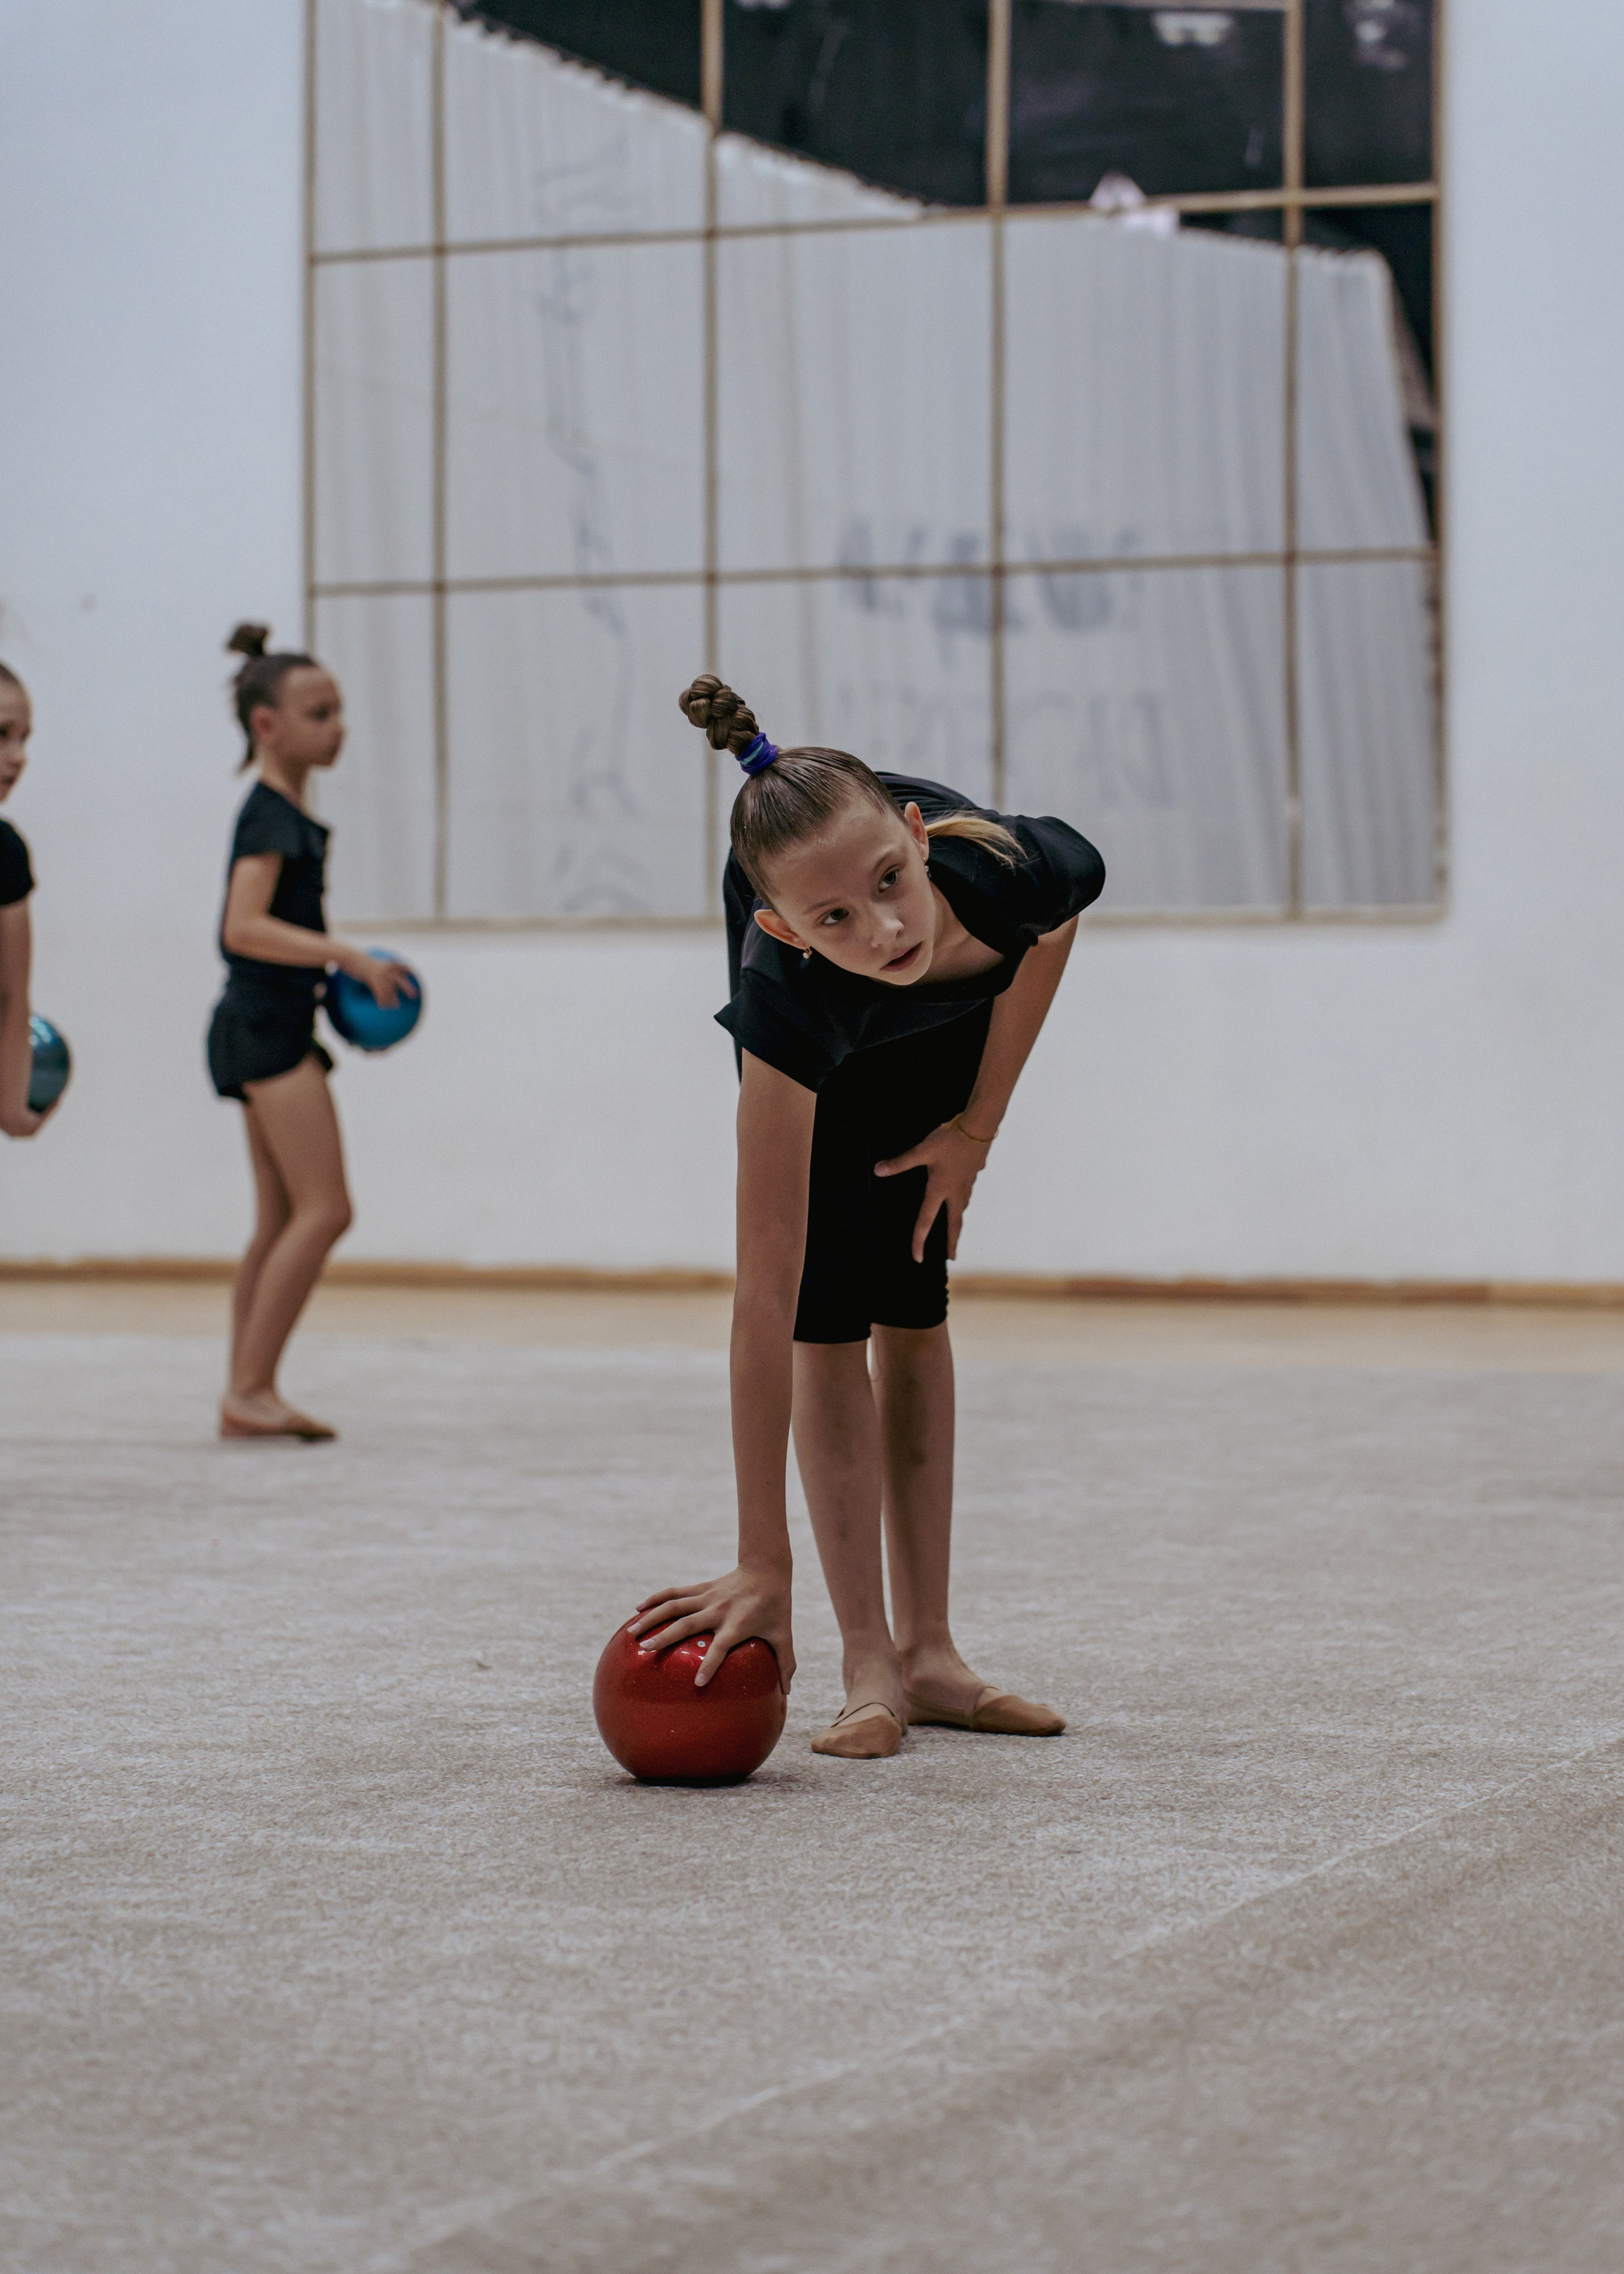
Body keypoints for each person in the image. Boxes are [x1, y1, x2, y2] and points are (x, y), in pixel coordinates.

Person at [631, 678, 1105, 1759]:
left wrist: (975, 1130)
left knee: (915, 1293)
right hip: (835, 1047)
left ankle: (931, 1654)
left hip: (941, 1035)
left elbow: (1059, 923)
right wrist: (762, 1558)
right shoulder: (789, 998)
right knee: (827, 1311)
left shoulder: (1002, 871)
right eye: (835, 914)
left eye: (891, 878)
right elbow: (764, 1289)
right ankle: (868, 1661)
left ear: (917, 834)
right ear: (782, 925)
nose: (885, 927)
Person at [207, 623, 412, 1442]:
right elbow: (241, 927)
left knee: (280, 1217)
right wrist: (345, 956)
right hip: (265, 1031)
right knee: (326, 1210)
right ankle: (250, 1389)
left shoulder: (284, 813)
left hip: (266, 1023)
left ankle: (246, 1391)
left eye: (338, 711)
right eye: (319, 714)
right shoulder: (269, 817)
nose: (339, 728)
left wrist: (327, 983)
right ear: (268, 725)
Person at [0, 662, 52, 1140]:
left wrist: (12, 1105)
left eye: (24, 739)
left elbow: (12, 996)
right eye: (1, 735)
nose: (18, 757)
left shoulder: (6, 853)